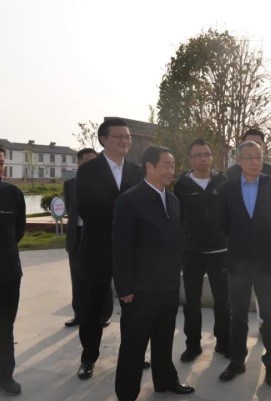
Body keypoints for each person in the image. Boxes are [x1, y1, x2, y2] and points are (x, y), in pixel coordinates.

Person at [112, 145, 194, 400]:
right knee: (134, 345)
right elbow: (121, 248)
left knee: (164, 338)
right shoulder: (129, 201)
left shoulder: (173, 200)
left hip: (168, 285)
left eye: (173, 165)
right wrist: (124, 287)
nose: (172, 170)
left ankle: (165, 380)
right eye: (166, 165)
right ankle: (127, 393)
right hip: (140, 289)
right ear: (149, 166)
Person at [75, 118, 143, 380]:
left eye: (128, 137)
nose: (125, 141)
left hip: (131, 251)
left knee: (133, 307)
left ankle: (134, 354)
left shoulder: (137, 171)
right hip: (97, 249)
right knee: (92, 307)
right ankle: (88, 357)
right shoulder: (88, 171)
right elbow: (86, 208)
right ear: (104, 140)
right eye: (119, 136)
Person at [218, 141, 271, 386]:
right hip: (238, 262)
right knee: (237, 315)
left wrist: (262, 242)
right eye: (249, 157)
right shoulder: (227, 188)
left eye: (258, 157)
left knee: (269, 315)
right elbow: (225, 224)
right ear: (239, 161)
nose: (255, 162)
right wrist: (243, 243)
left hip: (267, 262)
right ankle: (237, 361)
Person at [174, 138, 230, 362]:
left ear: (211, 157)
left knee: (223, 300)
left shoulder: (222, 182)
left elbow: (230, 214)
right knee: (192, 300)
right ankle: (193, 344)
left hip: (220, 251)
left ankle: (223, 342)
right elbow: (178, 218)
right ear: (190, 159)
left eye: (206, 154)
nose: (203, 159)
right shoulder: (182, 185)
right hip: (192, 252)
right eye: (198, 155)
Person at [63, 148, 113, 328]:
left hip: (97, 237)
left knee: (102, 276)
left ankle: (104, 314)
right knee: (77, 278)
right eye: (87, 161)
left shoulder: (105, 182)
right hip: (76, 237)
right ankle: (79, 314)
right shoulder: (69, 184)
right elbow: (70, 209)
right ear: (78, 162)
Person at [0, 145, 25, 396]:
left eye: (0, 162)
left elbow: (18, 231)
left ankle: (5, 375)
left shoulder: (12, 194)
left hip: (7, 273)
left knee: (5, 326)